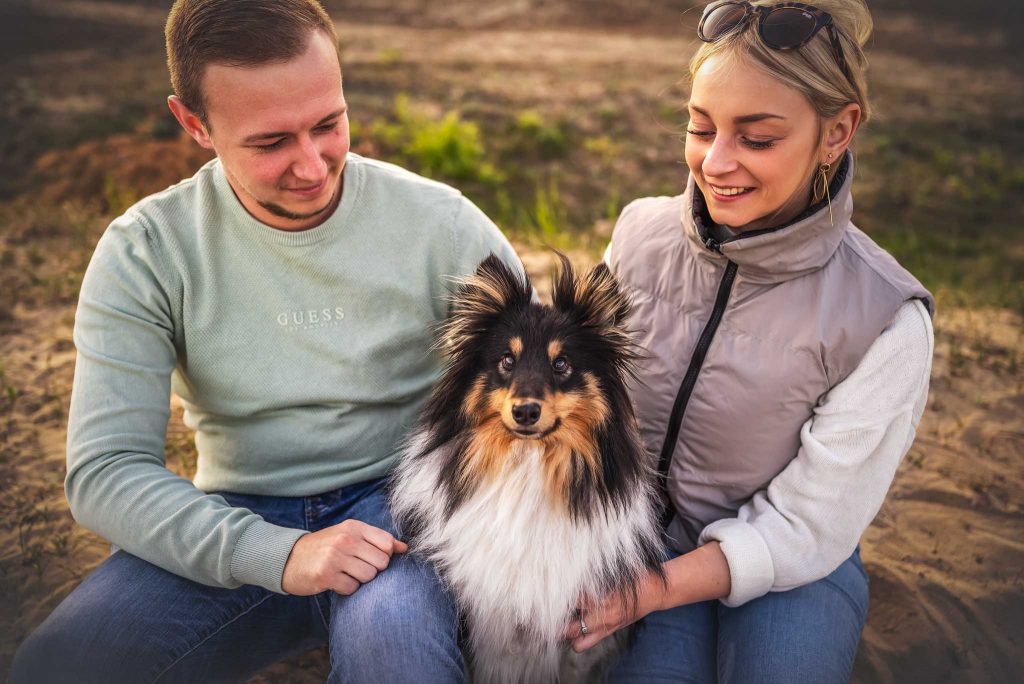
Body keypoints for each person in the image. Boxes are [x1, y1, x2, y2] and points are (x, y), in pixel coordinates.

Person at [11, 1, 522, 682]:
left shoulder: (445, 226)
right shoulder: (146, 251)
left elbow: (542, 389)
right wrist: (278, 555)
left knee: (396, 654)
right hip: (236, 515)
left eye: (328, 124)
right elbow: (105, 474)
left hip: (406, 505)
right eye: (271, 142)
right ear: (194, 123)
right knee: (59, 665)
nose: (311, 166)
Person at [563, 1, 935, 681]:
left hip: (792, 572)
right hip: (638, 546)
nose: (718, 162)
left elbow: (808, 526)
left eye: (757, 139)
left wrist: (657, 589)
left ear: (837, 130)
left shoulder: (887, 318)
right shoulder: (638, 237)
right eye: (700, 128)